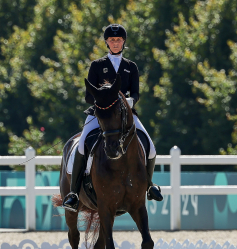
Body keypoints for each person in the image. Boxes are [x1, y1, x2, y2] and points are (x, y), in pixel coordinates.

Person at [62, 24, 163, 212]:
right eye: (112, 40)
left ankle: (149, 186)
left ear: (123, 42)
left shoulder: (130, 67)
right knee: (82, 145)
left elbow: (136, 93)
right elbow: (88, 96)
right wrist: (102, 100)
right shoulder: (97, 66)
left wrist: (130, 102)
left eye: (118, 40)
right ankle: (74, 193)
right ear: (107, 42)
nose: (115, 43)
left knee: (150, 147)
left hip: (126, 115)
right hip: (100, 114)